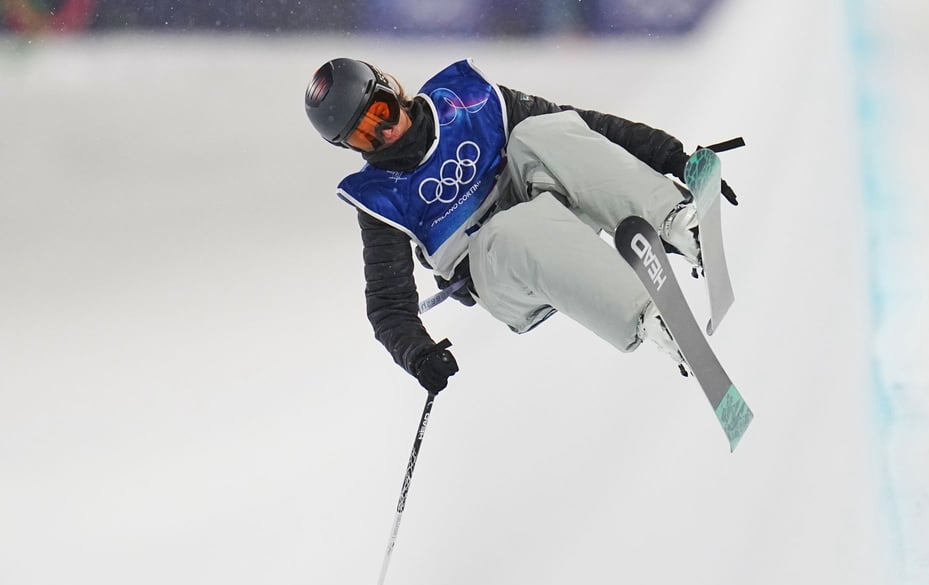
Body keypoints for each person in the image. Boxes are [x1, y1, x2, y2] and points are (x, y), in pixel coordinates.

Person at [304, 58, 738, 394]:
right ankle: (648, 317)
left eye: (379, 112)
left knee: (540, 132)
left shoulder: (468, 99)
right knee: (512, 228)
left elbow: (583, 128)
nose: (383, 134)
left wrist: (673, 157)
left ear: (390, 89)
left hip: (554, 214)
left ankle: (675, 222)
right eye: (363, 137)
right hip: (502, 274)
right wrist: (419, 355)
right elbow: (387, 305)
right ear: (348, 147)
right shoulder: (379, 196)